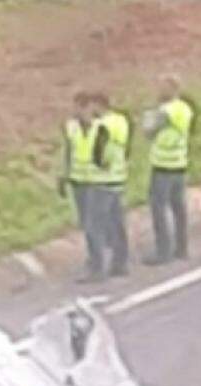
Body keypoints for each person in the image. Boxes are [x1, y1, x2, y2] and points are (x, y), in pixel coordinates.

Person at [58, 91, 131, 282]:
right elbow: (69, 150)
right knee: (108, 223)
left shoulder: (104, 125)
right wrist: (64, 175)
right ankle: (118, 262)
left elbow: (106, 151)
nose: (78, 112)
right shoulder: (73, 127)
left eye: (82, 107)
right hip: (83, 180)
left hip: (101, 181)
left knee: (95, 225)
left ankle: (98, 266)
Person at [142, 75, 194, 266]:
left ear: (171, 89)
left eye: (162, 87)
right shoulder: (185, 109)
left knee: (158, 208)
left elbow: (148, 131)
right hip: (179, 163)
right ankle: (182, 247)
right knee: (179, 208)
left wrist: (150, 114)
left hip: (163, 165)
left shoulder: (165, 111)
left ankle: (163, 251)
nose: (159, 90)